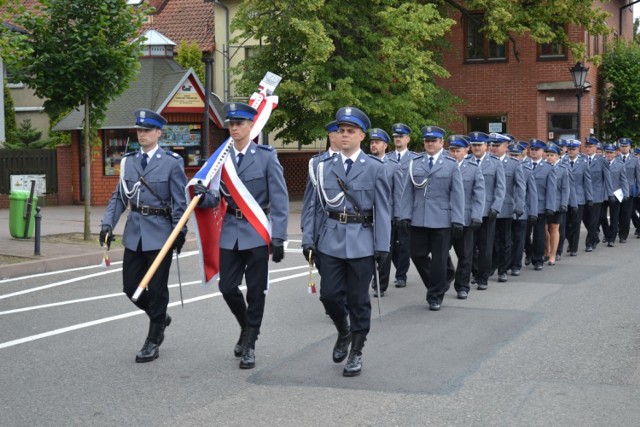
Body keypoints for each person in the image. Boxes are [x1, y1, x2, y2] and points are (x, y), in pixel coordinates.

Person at [194, 102, 289, 370]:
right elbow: (215, 199)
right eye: (231, 124)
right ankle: (247, 327)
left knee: (256, 291)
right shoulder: (220, 159)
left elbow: (280, 200)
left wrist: (279, 237)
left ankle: (250, 345)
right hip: (230, 233)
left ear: (251, 126)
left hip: (257, 232)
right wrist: (202, 196)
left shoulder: (267, 156)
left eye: (239, 124)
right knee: (227, 287)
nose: (234, 128)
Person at [301, 106, 390, 377]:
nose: (344, 136)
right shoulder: (323, 167)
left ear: (362, 136)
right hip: (330, 239)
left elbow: (383, 209)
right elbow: (313, 206)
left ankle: (357, 351)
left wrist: (382, 246)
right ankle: (344, 330)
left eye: (350, 131)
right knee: (329, 295)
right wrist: (308, 238)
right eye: (341, 131)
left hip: (362, 241)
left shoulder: (375, 168)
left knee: (358, 299)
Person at [100, 109, 187, 363]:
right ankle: (160, 317)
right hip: (135, 232)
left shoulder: (171, 162)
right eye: (139, 130)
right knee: (130, 287)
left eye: (147, 130)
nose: (142, 134)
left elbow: (180, 202)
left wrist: (179, 232)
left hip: (160, 233)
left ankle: (153, 339)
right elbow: (119, 197)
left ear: (158, 133)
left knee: (157, 289)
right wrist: (107, 225)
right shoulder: (128, 161)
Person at [398, 125, 464, 311]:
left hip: (442, 219)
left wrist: (458, 219)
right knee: (417, 255)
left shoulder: (450, 164)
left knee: (439, 259)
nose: (430, 144)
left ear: (442, 142)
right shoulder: (415, 163)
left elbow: (457, 194)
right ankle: (440, 282)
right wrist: (404, 215)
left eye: (434, 140)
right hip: (419, 217)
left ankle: (435, 295)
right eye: (427, 141)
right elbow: (407, 192)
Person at [445, 135, 484, 299]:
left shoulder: (474, 168)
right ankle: (448, 274)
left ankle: (462, 285)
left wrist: (476, 215)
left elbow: (479, 194)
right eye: (452, 150)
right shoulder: (443, 166)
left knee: (465, 254)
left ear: (466, 150)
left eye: (457, 150)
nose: (454, 154)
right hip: (445, 217)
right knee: (440, 253)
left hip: (466, 218)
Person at [468, 131, 506, 290]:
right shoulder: (465, 161)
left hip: (487, 211)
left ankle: (483, 277)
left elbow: (500, 187)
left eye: (480, 145)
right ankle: (475, 272)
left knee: (485, 246)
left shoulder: (496, 163)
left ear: (486, 146)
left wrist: (496, 207)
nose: (477, 148)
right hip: (469, 212)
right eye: (474, 145)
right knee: (469, 247)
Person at [368, 128, 403, 297]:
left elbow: (398, 193)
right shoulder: (364, 163)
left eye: (377, 142)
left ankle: (380, 284)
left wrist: (397, 215)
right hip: (366, 215)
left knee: (384, 251)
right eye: (372, 142)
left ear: (385, 145)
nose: (373, 145)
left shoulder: (393, 166)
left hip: (386, 215)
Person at [489, 133, 525, 283]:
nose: (493, 148)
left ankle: (503, 269)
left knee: (504, 240)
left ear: (506, 147)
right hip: (487, 208)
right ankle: (488, 267)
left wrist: (519, 205)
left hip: (505, 208)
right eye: (492, 145)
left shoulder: (514, 164)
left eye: (497, 146)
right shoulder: (486, 162)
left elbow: (520, 187)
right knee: (488, 241)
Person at [388, 123, 416, 289]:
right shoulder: (388, 157)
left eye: (401, 136)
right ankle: (399, 267)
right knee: (390, 245)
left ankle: (401, 275)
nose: (398, 139)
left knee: (404, 244)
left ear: (408, 139)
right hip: (389, 208)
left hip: (406, 208)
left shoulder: (414, 159)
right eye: (395, 137)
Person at [524, 139, 556, 271]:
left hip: (540, 206)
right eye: (532, 149)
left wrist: (550, 207)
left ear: (542, 152)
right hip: (525, 205)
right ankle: (529, 252)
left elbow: (551, 189)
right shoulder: (523, 165)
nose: (534, 152)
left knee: (539, 234)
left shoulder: (548, 168)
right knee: (524, 234)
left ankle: (538, 259)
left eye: (537, 150)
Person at [508, 143, 538, 276]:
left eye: (517, 155)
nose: (514, 158)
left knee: (520, 239)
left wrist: (533, 212)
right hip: (507, 210)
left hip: (522, 211)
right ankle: (506, 262)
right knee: (507, 239)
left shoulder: (527, 169)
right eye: (512, 155)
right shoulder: (504, 167)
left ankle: (516, 265)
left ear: (522, 155)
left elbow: (532, 193)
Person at [561, 139, 592, 257]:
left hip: (579, 198)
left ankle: (573, 247)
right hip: (566, 197)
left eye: (573, 149)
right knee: (566, 224)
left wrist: (589, 198)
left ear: (578, 150)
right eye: (569, 149)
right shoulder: (563, 161)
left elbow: (587, 182)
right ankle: (570, 241)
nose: (571, 151)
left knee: (575, 223)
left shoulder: (583, 163)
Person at [582, 137, 613, 252]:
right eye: (586, 146)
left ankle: (589, 242)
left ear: (595, 147)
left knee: (594, 219)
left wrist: (610, 194)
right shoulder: (582, 159)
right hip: (584, 194)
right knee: (585, 218)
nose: (588, 149)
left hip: (597, 194)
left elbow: (607, 178)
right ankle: (595, 236)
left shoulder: (602, 160)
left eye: (590, 147)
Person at [544, 143, 570, 265]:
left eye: (552, 155)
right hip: (543, 203)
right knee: (543, 228)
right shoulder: (542, 167)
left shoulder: (563, 169)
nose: (549, 157)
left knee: (554, 228)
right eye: (547, 154)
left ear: (557, 156)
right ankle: (546, 249)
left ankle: (553, 254)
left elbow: (565, 188)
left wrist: (564, 203)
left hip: (557, 203)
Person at [601, 143, 628, 247]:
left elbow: (624, 180)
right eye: (607, 152)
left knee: (614, 217)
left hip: (616, 193)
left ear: (615, 153)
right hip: (603, 194)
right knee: (602, 216)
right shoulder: (601, 163)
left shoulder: (620, 165)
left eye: (611, 152)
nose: (609, 154)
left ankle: (611, 239)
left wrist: (626, 193)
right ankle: (607, 234)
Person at [616, 138, 640, 243]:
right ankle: (618, 230)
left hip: (629, 189)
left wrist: (639, 189)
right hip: (617, 190)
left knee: (626, 213)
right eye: (622, 146)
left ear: (630, 147)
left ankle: (623, 235)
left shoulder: (635, 160)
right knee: (618, 212)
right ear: (619, 147)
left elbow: (638, 176)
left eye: (626, 146)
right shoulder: (615, 159)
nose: (624, 148)